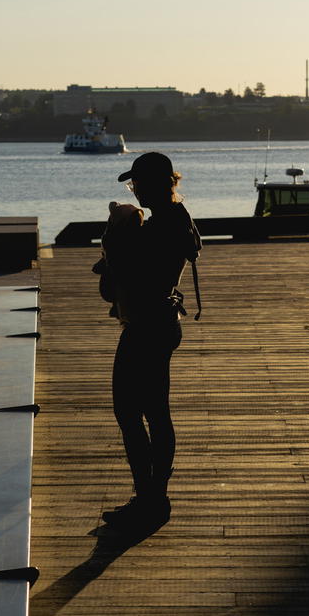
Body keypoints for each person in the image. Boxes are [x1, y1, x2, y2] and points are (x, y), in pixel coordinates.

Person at [96, 151, 201, 530]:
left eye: (136, 183)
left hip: (147, 327)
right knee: (153, 411)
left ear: (155, 184)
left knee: (134, 411)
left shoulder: (161, 227)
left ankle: (152, 498)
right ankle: (153, 496)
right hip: (159, 324)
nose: (134, 189)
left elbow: (125, 280)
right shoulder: (176, 220)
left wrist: (113, 239)